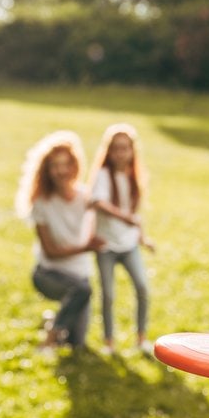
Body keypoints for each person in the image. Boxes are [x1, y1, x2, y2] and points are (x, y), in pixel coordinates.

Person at [15, 131, 105, 352]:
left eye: (66, 164)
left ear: (75, 165)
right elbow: (51, 251)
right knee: (82, 290)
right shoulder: (41, 203)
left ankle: (53, 321)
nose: (61, 171)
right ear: (46, 170)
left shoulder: (86, 197)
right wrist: (86, 248)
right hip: (48, 274)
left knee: (77, 343)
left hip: (80, 274)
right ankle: (49, 340)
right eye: (55, 165)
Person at [89, 124, 155, 355]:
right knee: (108, 294)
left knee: (143, 287)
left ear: (132, 150)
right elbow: (98, 202)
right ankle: (109, 342)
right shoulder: (103, 175)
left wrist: (143, 238)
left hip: (128, 244)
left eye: (125, 148)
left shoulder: (133, 176)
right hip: (106, 245)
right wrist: (124, 217)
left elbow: (134, 215)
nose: (120, 153)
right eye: (116, 148)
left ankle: (141, 338)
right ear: (109, 151)